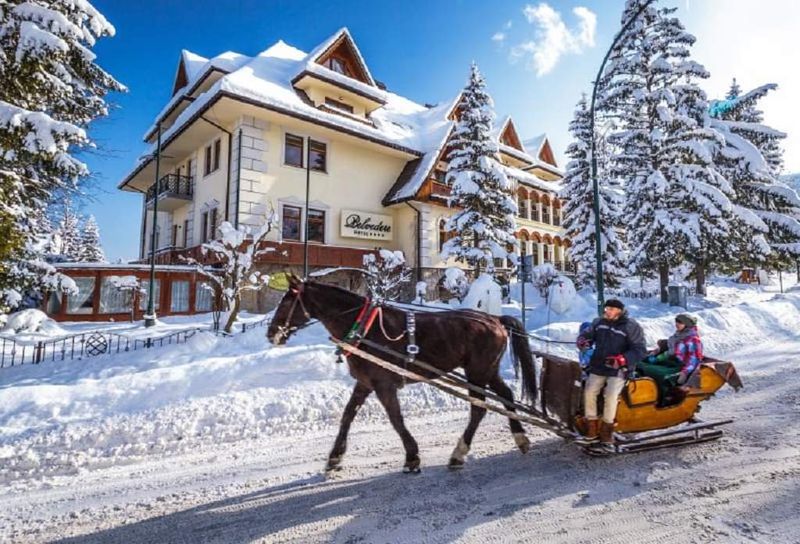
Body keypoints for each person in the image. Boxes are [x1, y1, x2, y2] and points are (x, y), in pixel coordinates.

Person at [576, 299, 647, 447]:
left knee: (610, 395)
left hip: (619, 369)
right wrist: (583, 341)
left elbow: (640, 350)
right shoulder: (598, 323)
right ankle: (591, 429)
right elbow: (586, 335)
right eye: (606, 308)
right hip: (599, 366)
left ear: (619, 311)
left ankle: (607, 432)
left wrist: (622, 360)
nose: (606, 311)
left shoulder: (631, 326)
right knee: (589, 392)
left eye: (610, 309)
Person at [637, 314, 704, 404]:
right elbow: (670, 348)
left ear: (687, 324)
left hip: (680, 365)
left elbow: (694, 360)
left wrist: (685, 372)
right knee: (640, 364)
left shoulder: (693, 340)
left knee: (661, 376)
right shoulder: (678, 335)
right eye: (676, 321)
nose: (677, 324)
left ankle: (663, 401)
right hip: (669, 362)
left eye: (680, 322)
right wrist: (657, 352)